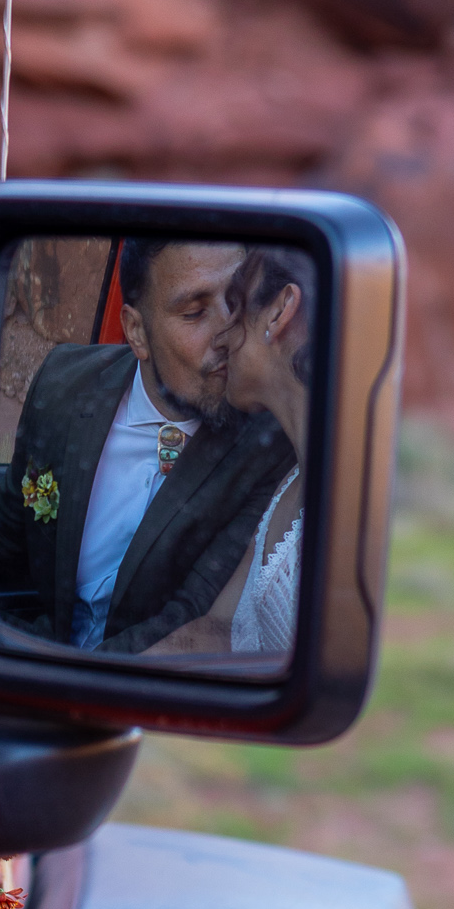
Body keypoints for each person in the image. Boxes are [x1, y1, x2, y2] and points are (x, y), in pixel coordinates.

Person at [0, 238, 294, 654]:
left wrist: (64, 685)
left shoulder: (267, 445)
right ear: (136, 332)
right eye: (194, 312)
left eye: (237, 300)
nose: (227, 333)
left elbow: (192, 615)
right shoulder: (64, 384)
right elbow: (2, 549)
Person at [150, 244, 315, 657]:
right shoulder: (292, 479)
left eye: (237, 307)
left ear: (279, 313)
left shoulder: (349, 492)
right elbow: (220, 627)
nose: (221, 338)